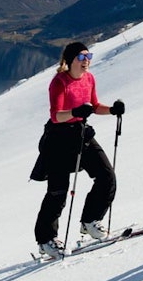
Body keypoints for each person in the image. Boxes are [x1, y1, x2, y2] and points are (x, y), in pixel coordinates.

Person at [32, 41, 126, 259]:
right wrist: (75, 110)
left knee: (106, 175)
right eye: (82, 57)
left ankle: (90, 221)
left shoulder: (90, 79)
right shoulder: (59, 82)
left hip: (80, 133)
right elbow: (56, 115)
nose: (87, 61)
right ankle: (46, 240)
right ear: (70, 60)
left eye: (88, 56)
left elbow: (93, 106)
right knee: (58, 192)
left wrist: (112, 110)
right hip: (58, 139)